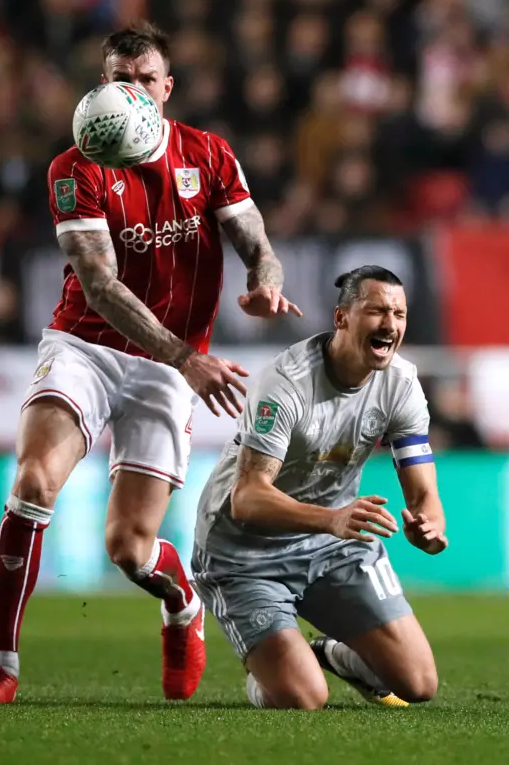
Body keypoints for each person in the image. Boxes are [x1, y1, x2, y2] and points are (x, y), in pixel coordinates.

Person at [0, 21, 300, 705]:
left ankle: (181, 604)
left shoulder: (207, 154)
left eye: (147, 80)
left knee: (128, 547)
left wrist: (265, 276)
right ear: (103, 85)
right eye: (122, 79)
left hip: (166, 369)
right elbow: (99, 283)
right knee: (31, 481)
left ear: (166, 88)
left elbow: (255, 238)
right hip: (86, 345)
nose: (135, 91)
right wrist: (188, 358)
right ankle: (2, 666)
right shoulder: (75, 167)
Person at [192, 266, 448, 710]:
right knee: (302, 697)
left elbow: (424, 494)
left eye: (399, 314)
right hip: (243, 554)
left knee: (419, 684)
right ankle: (272, 674)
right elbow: (248, 496)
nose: (391, 324)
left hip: (332, 545)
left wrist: (431, 525)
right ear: (342, 318)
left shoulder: (402, 385)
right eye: (377, 311)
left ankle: (333, 654)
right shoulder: (286, 384)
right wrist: (333, 518)